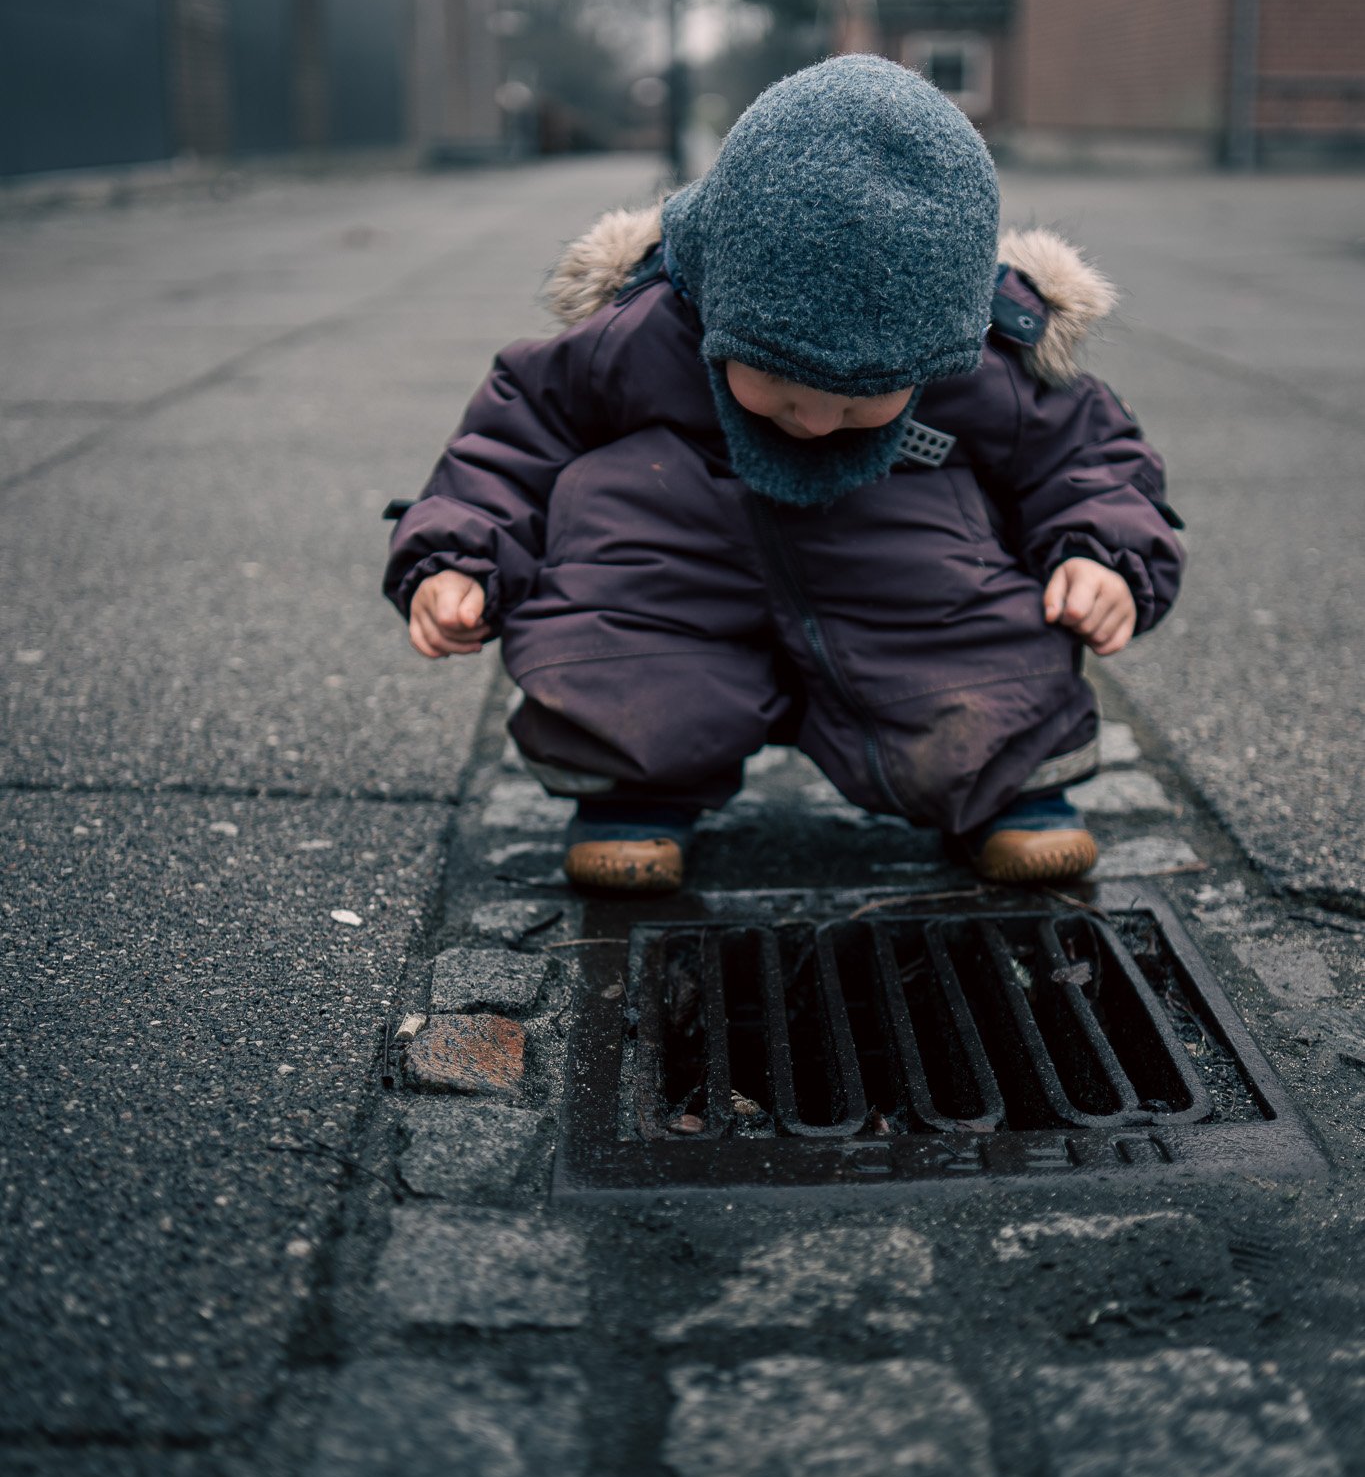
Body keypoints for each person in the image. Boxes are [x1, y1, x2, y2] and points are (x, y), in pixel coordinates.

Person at [384, 56, 1184, 894]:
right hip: (683, 569)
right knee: (620, 603)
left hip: (901, 583)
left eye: (859, 399)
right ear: (721, 302)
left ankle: (1005, 785)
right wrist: (457, 557)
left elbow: (1088, 460)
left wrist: (1103, 555)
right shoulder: (645, 331)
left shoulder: (981, 361)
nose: (812, 422)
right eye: (782, 386)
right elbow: (511, 442)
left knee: (976, 652)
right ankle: (638, 785)